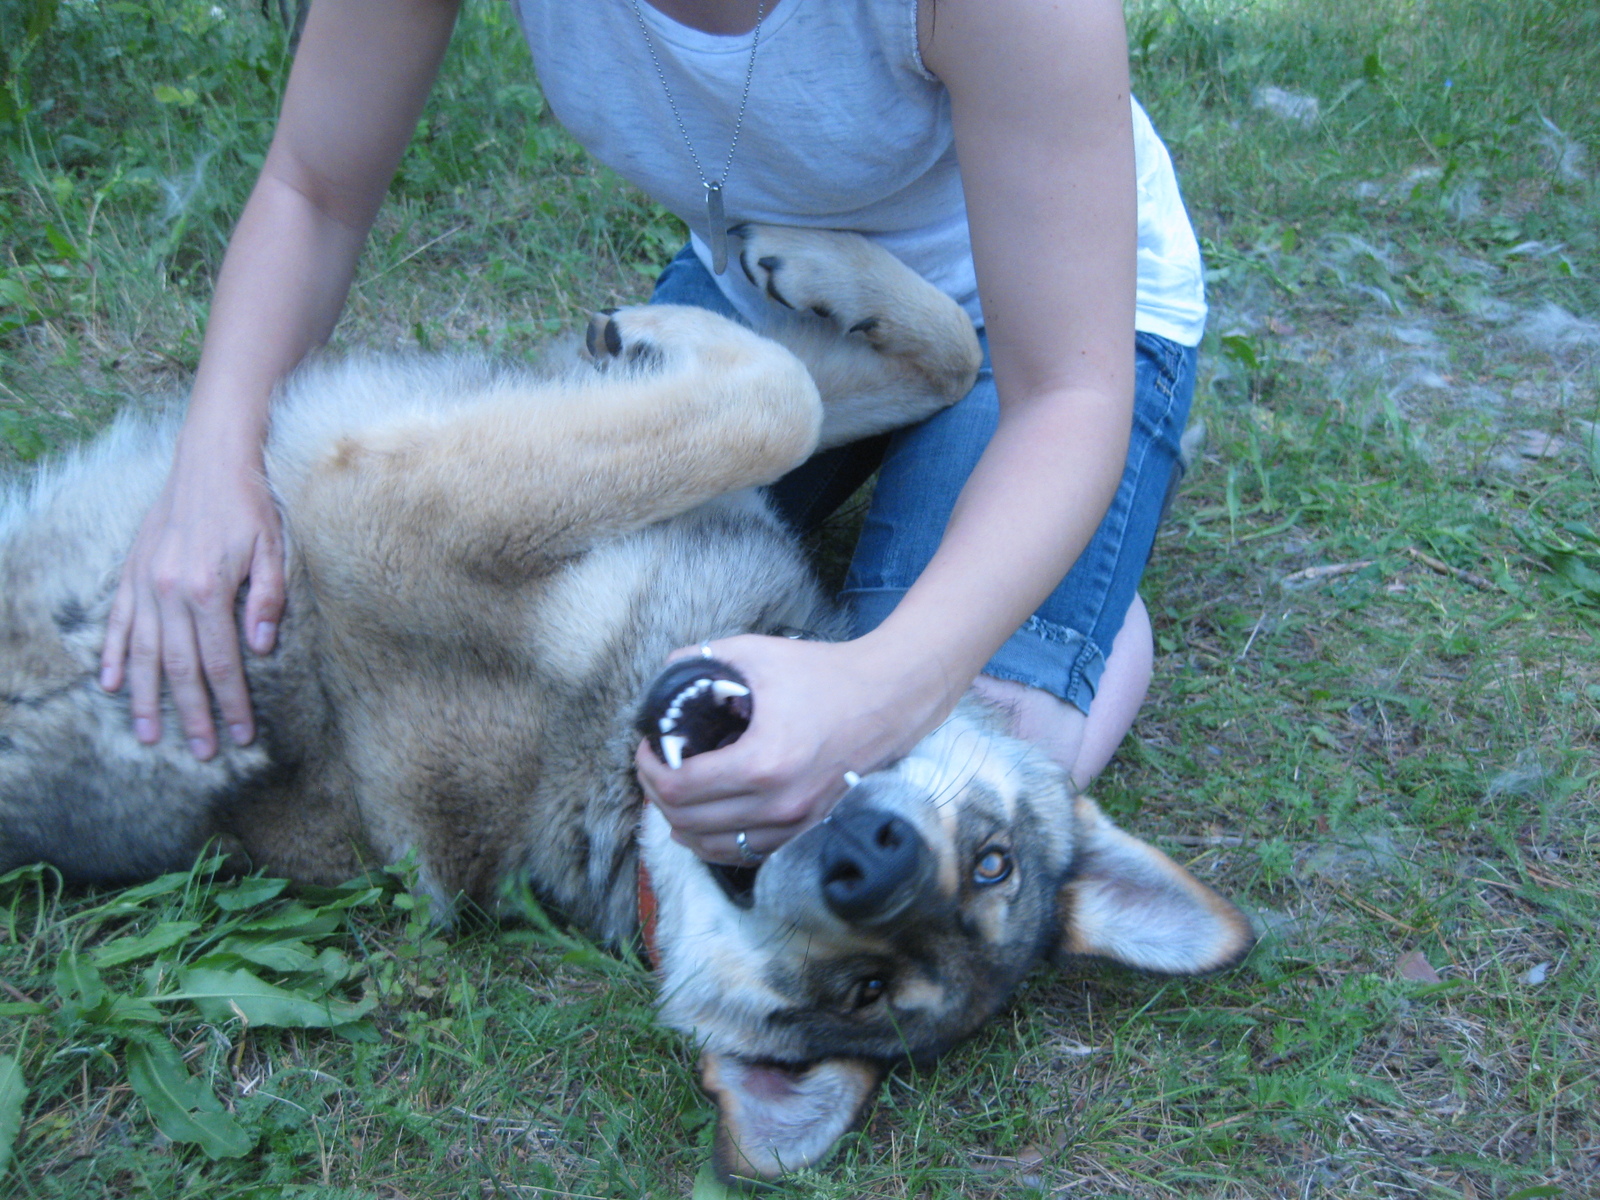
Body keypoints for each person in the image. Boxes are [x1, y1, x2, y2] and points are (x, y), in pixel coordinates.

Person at [98, 0, 1205, 868]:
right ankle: (1013, 554)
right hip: (776, 287)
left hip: (1040, 331)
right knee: (578, 575)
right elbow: (313, 188)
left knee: (949, 760)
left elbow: (1068, 391)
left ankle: (1060, 593)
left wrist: (889, 683)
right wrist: (213, 459)